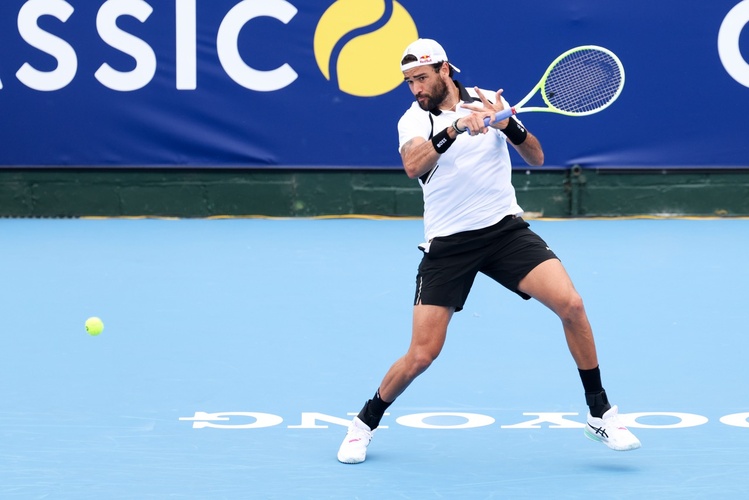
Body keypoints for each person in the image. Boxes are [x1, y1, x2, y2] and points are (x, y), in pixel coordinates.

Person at [337, 38, 640, 464]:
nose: (416, 88)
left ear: (444, 70)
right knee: (422, 354)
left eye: (421, 78)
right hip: (449, 244)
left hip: (504, 233)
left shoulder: (485, 101)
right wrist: (457, 128)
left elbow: (536, 156)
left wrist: (507, 125)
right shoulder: (413, 119)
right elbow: (412, 165)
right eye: (409, 81)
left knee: (571, 305)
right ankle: (363, 423)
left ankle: (600, 412)